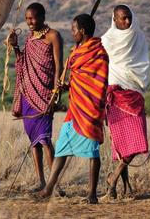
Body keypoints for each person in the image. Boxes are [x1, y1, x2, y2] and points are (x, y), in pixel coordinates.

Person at [36, 13, 109, 204]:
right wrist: (67, 85)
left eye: (74, 30)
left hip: (90, 109)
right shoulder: (76, 53)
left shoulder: (99, 53)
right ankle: (48, 189)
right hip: (75, 108)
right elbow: (79, 80)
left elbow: (98, 82)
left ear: (82, 31)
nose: (72, 33)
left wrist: (74, 85)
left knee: (92, 151)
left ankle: (92, 194)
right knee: (61, 147)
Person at [9, 2, 63, 193]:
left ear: (42, 17)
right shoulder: (30, 39)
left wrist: (54, 95)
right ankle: (40, 181)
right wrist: (15, 47)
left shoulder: (53, 36)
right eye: (27, 19)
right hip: (28, 94)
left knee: (45, 140)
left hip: (45, 94)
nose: (30, 22)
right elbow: (23, 63)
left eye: (33, 18)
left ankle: (54, 184)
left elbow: (58, 67)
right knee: (34, 141)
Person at [100, 5, 150, 200]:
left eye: (129, 17)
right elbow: (102, 68)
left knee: (137, 142)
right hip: (114, 95)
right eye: (122, 18)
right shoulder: (106, 41)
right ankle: (122, 187)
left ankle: (112, 179)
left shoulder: (139, 37)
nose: (127, 22)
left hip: (134, 94)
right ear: (114, 19)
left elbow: (143, 65)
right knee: (122, 145)